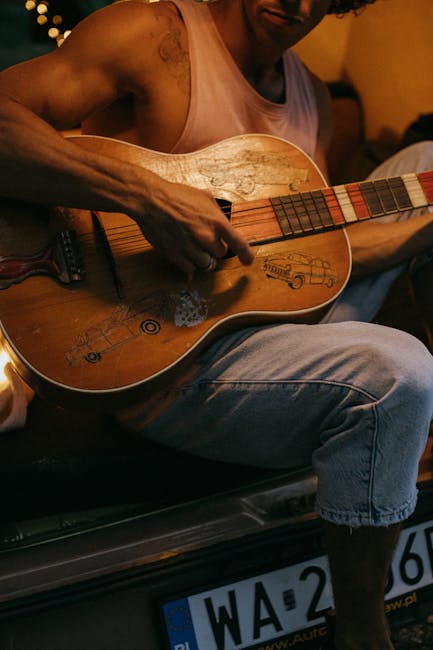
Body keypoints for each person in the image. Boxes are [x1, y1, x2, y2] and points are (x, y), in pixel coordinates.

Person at [0, 1, 433, 647]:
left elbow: (292, 261)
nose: (298, 2)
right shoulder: (151, 35)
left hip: (250, 323)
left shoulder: (307, 93)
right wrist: (140, 195)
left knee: (424, 160)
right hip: (153, 352)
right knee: (398, 372)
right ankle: (363, 631)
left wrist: (416, 237)